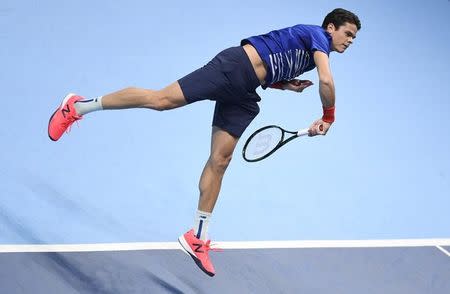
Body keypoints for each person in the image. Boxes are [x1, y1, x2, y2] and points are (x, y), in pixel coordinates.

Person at [47, 8, 361, 277]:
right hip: (231, 68)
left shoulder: (310, 53)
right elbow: (326, 81)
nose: (349, 40)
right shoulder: (317, 37)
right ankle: (77, 107)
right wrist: (328, 116)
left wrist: (281, 83)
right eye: (347, 33)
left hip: (245, 92)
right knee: (161, 100)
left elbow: (272, 59)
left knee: (221, 160)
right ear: (330, 27)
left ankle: (197, 236)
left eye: (354, 38)